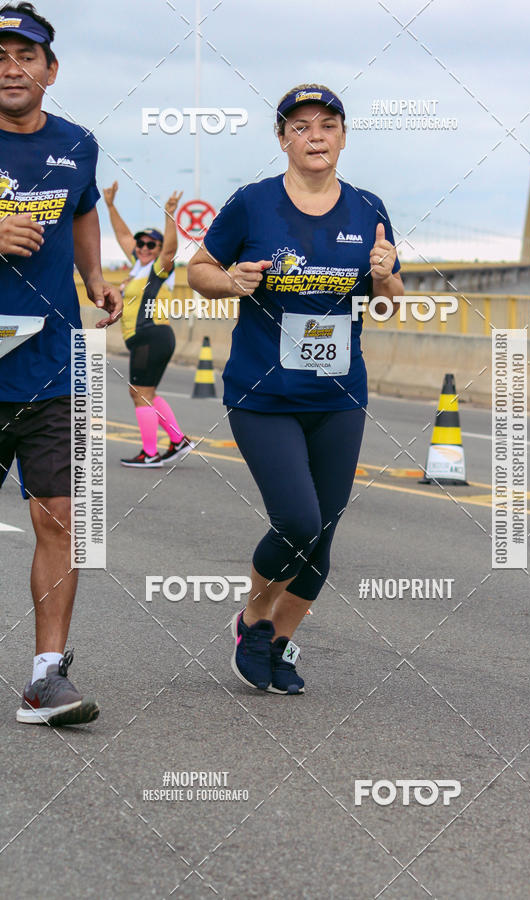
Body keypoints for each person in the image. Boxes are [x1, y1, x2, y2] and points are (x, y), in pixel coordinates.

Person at [188, 83, 404, 694]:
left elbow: (390, 305)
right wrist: (231, 280)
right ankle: (253, 618)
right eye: (301, 126)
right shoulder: (253, 204)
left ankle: (275, 644)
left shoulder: (368, 208)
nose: (316, 136)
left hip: (338, 396)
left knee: (323, 534)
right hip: (264, 394)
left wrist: (385, 280)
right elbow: (197, 269)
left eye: (328, 125)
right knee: (298, 520)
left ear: (343, 135)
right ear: (282, 138)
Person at [0, 4, 122, 724]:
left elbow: (80, 210)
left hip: (49, 369)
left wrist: (94, 276)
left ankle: (49, 676)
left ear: (50, 70)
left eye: (24, 56)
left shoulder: (77, 145)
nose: (10, 69)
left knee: (62, 519)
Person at [103, 181, 195, 467]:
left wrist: (170, 215)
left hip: (151, 335)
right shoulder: (137, 267)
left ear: (156, 250)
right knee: (145, 393)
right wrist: (110, 206)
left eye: (149, 245)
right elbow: (122, 235)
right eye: (141, 243)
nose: (143, 247)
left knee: (140, 393)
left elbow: (170, 250)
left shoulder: (158, 270)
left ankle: (150, 453)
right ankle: (178, 440)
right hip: (146, 337)